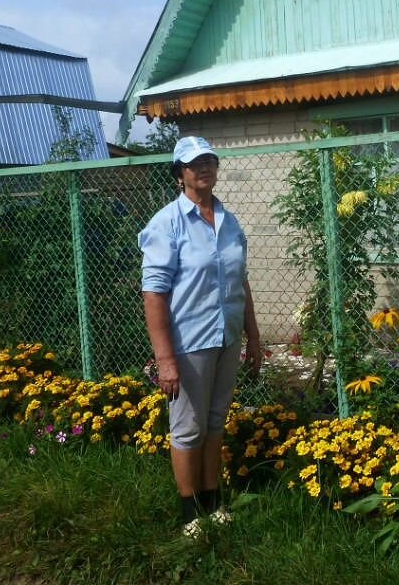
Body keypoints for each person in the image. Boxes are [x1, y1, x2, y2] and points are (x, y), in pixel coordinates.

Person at [138, 135, 263, 535]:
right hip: (188, 342)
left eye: (209, 160)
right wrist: (165, 360)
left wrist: (253, 337)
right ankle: (190, 512)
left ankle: (213, 500)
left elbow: (240, 281)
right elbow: (154, 293)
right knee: (188, 428)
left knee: (214, 422)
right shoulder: (167, 223)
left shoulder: (229, 221)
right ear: (180, 175)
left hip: (226, 338)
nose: (203, 168)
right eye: (194, 164)